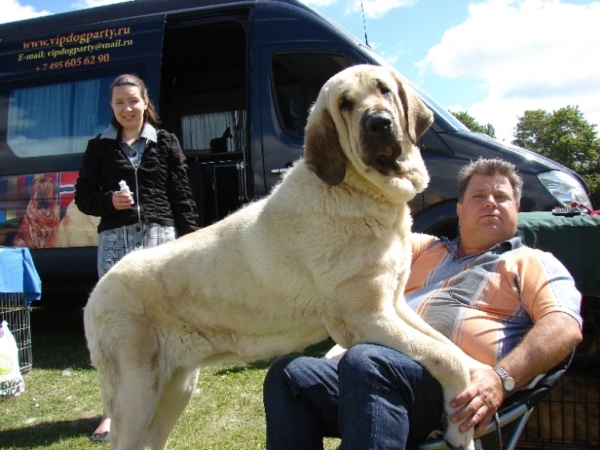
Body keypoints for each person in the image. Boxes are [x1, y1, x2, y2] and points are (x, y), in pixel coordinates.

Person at [263, 158, 583, 450]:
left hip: (450, 391)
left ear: (517, 209)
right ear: (459, 209)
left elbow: (564, 326)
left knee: (369, 360)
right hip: (371, 375)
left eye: (501, 197)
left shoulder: (532, 262)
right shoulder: (425, 249)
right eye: (478, 196)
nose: (490, 202)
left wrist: (501, 377)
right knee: (290, 375)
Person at [75, 74, 200, 443]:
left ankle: (156, 399)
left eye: (133, 100)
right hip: (116, 245)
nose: (127, 108)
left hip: (160, 243)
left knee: (163, 327)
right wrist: (108, 202)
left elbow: (182, 195)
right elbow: (83, 196)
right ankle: (112, 413)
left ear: (146, 101)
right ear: (111, 108)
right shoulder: (99, 147)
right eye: (119, 103)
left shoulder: (166, 142)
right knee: (117, 334)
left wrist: (191, 246)